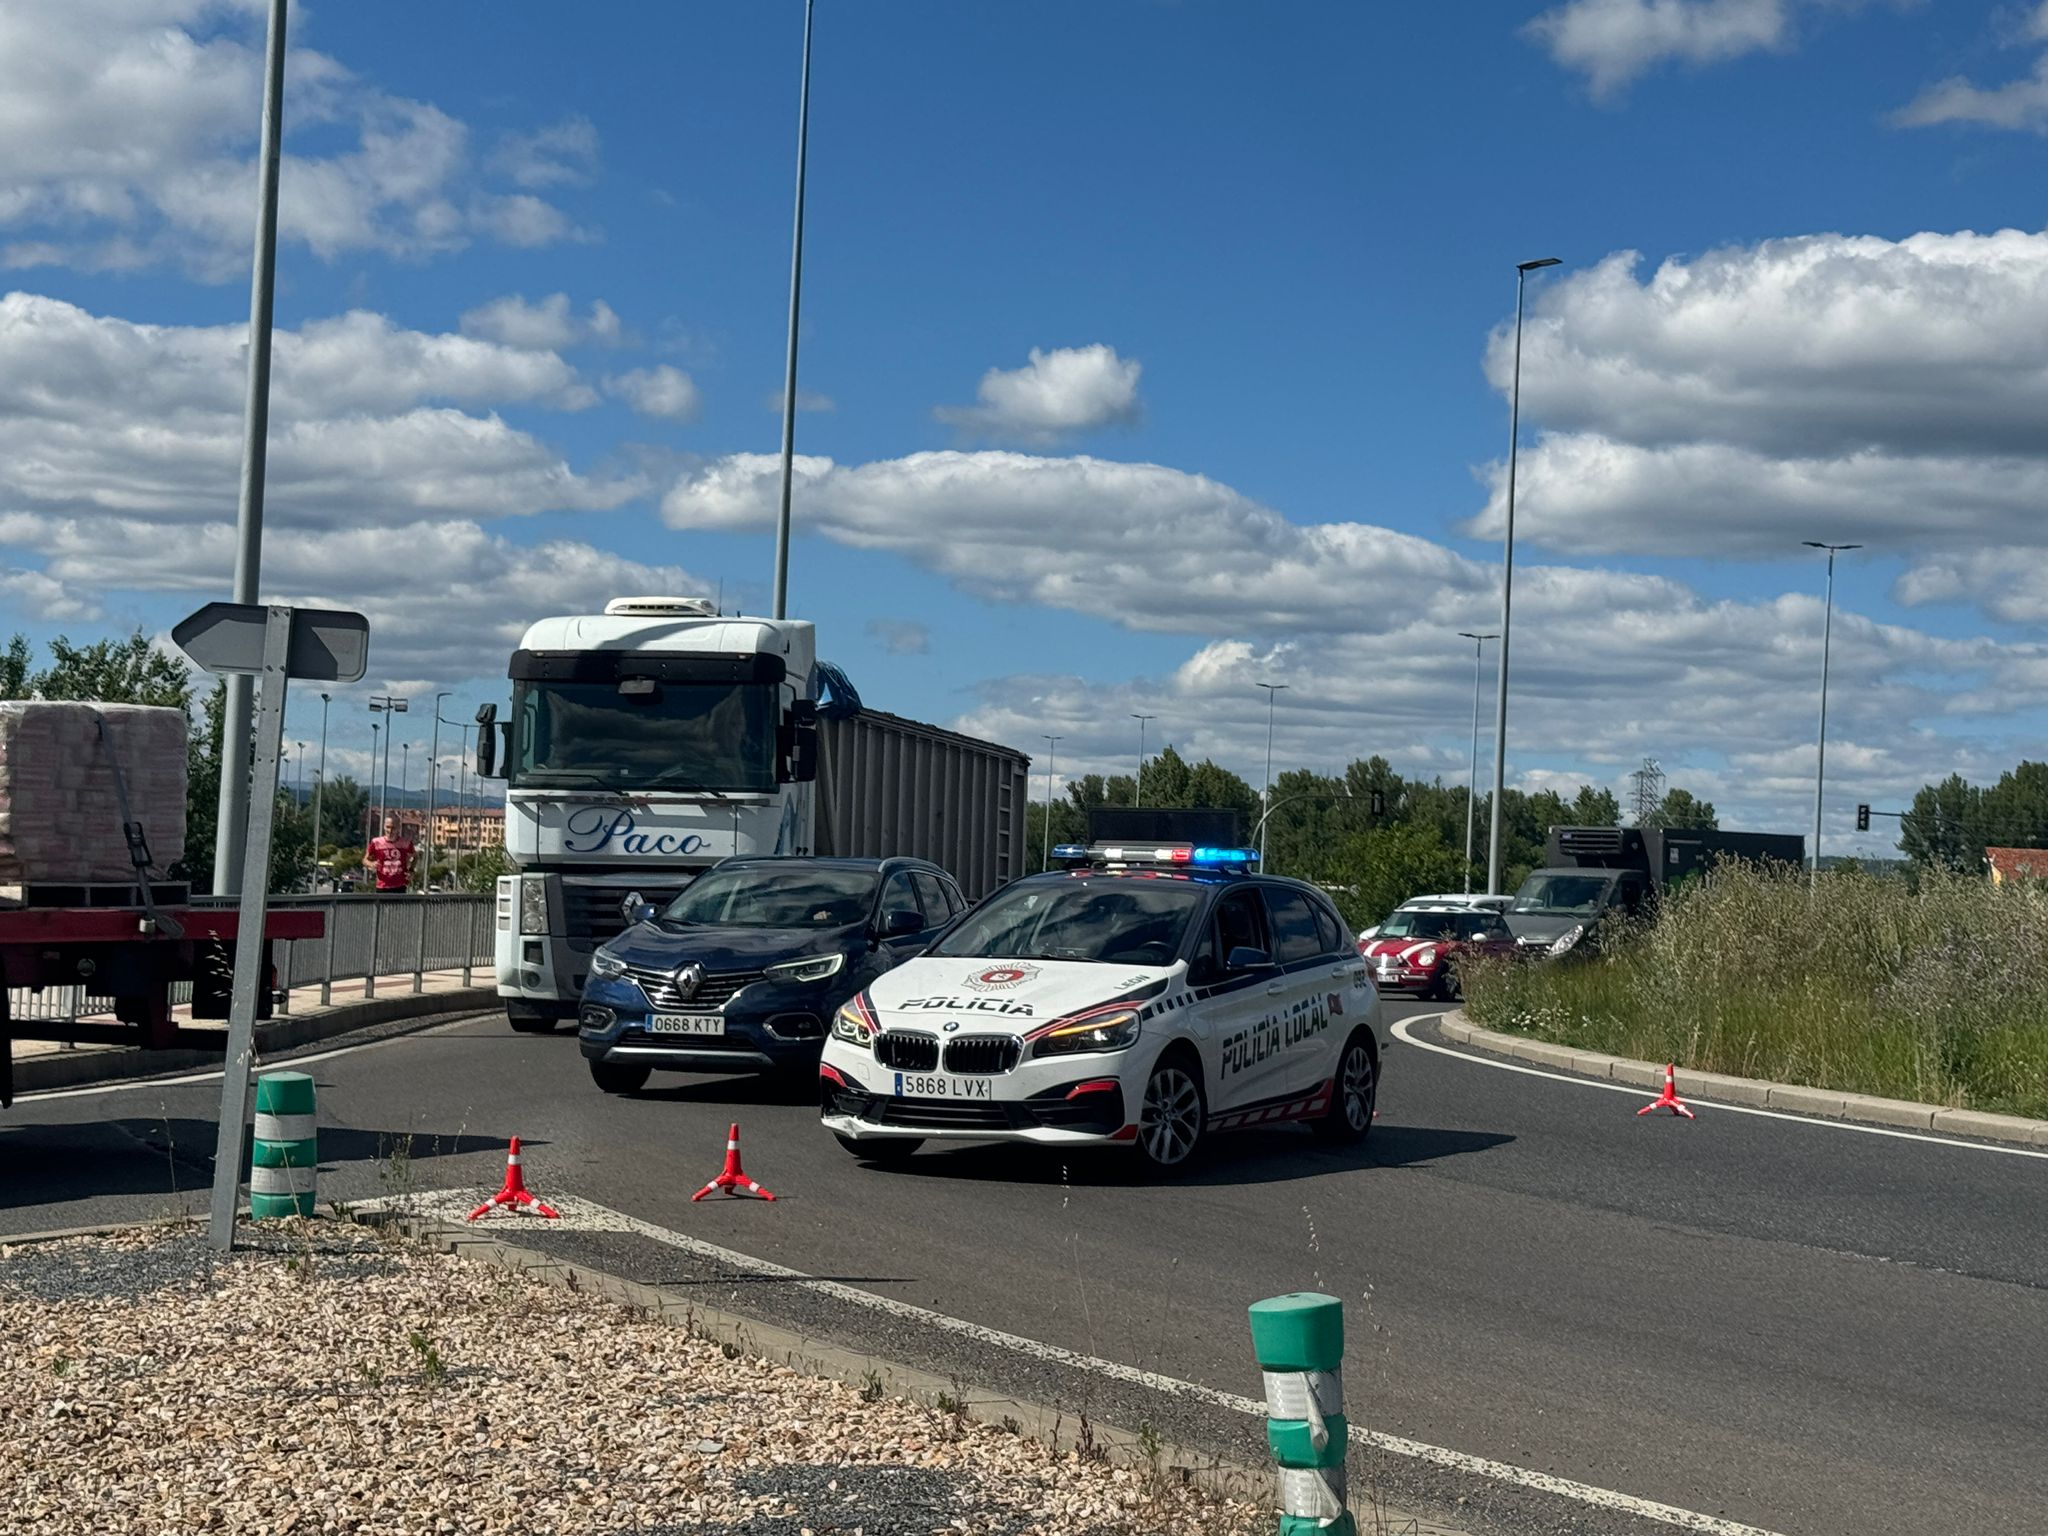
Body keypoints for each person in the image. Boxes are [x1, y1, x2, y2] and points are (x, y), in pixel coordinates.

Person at [364, 815, 418, 893]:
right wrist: (371, 864)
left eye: (393, 828)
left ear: (398, 828)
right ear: (384, 827)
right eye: (388, 827)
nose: (390, 830)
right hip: (382, 885)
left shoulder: (406, 843)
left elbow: (415, 857)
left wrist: (411, 870)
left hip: (400, 886)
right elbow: (365, 860)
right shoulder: (376, 842)